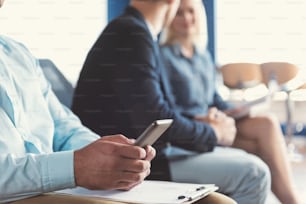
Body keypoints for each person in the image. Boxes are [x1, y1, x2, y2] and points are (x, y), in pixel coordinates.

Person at [0, 1, 236, 204]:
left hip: (57, 186)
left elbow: (65, 127)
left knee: (216, 201)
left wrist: (112, 156)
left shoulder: (18, 54)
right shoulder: (132, 34)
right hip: (17, 194)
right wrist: (76, 167)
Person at [72, 0, 271, 203]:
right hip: (140, 161)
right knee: (254, 173)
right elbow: (157, 119)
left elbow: (158, 113)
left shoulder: (132, 30)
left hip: (148, 151)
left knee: (247, 158)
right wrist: (213, 132)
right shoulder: (133, 34)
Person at [158, 0, 301, 204]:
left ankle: (291, 200)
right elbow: (166, 108)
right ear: (170, 17)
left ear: (199, 15)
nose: (187, 18)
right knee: (260, 147)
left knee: (266, 123)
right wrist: (203, 119)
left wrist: (240, 109)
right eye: (179, 13)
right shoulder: (163, 56)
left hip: (217, 120)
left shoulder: (202, 56)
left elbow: (214, 100)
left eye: (191, 11)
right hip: (196, 127)